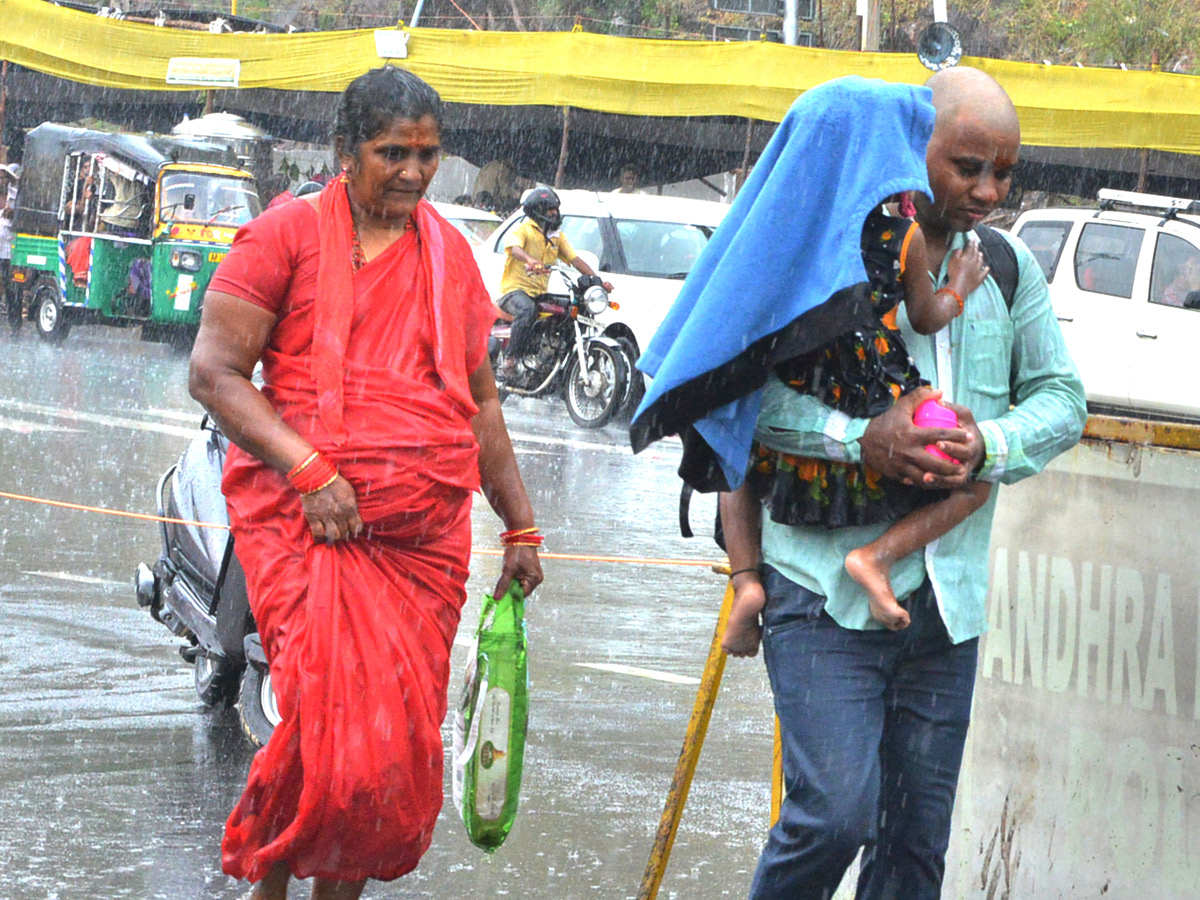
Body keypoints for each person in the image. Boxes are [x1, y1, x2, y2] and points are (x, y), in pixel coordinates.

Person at [724, 68, 1086, 900]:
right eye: (967, 167)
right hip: (821, 594)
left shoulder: (1005, 265)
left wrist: (986, 442)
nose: (988, 191)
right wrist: (862, 441)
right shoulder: (830, 251)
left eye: (1003, 172)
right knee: (833, 817)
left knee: (913, 853)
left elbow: (1064, 401)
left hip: (947, 609)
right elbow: (745, 405)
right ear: (913, 147)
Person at [188, 67, 543, 900]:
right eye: (393, 153)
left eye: (428, 154)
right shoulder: (287, 236)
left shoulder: (451, 254)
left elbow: (480, 401)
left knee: (386, 756)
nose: (415, 173)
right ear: (345, 152)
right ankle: (270, 886)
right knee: (322, 736)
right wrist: (309, 469)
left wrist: (520, 524)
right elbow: (214, 372)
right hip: (310, 531)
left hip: (422, 547)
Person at [721, 196, 991, 650]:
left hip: (804, 377)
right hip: (873, 393)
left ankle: (746, 580)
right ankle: (874, 559)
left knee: (732, 450)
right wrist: (957, 287)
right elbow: (925, 319)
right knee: (972, 480)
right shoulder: (904, 237)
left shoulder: (788, 235)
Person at [495, 186, 611, 375]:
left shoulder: (557, 237)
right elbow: (514, 248)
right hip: (513, 291)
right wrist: (530, 260)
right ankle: (510, 359)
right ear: (537, 210)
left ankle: (553, 355)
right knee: (527, 310)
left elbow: (575, 260)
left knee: (572, 308)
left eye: (555, 209)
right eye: (550, 209)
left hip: (539, 294)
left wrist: (598, 281)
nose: (555, 213)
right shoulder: (523, 230)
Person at [1, 163, 19, 330]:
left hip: (8, 251)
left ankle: (15, 324)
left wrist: (14, 214)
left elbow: (21, 217)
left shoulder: (15, 196)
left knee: (11, 288)